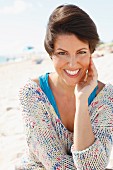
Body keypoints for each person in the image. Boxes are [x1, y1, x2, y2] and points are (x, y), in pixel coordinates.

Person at [18, 4, 113, 170]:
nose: (72, 63)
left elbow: (94, 166)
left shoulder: (106, 97)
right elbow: (56, 164)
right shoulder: (32, 94)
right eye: (62, 53)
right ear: (51, 54)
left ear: (91, 52)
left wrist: (82, 100)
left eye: (81, 52)